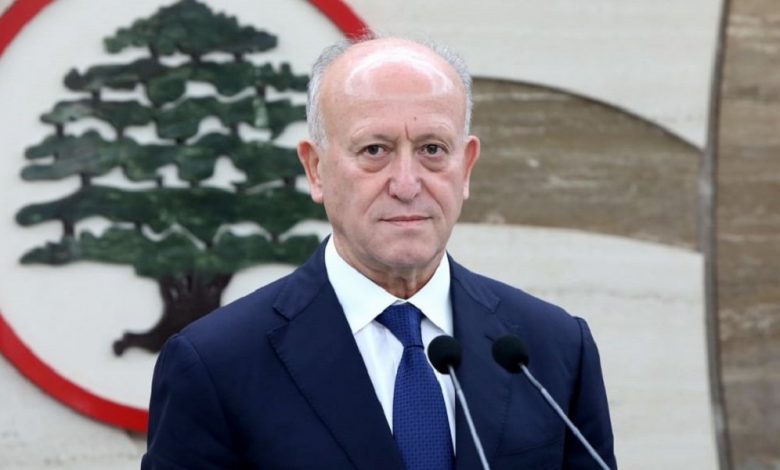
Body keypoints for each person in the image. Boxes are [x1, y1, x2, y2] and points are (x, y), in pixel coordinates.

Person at [142, 36, 616, 470]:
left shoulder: (551, 348)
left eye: (432, 149)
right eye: (374, 150)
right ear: (316, 169)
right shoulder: (215, 364)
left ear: (466, 166)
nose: (407, 185)